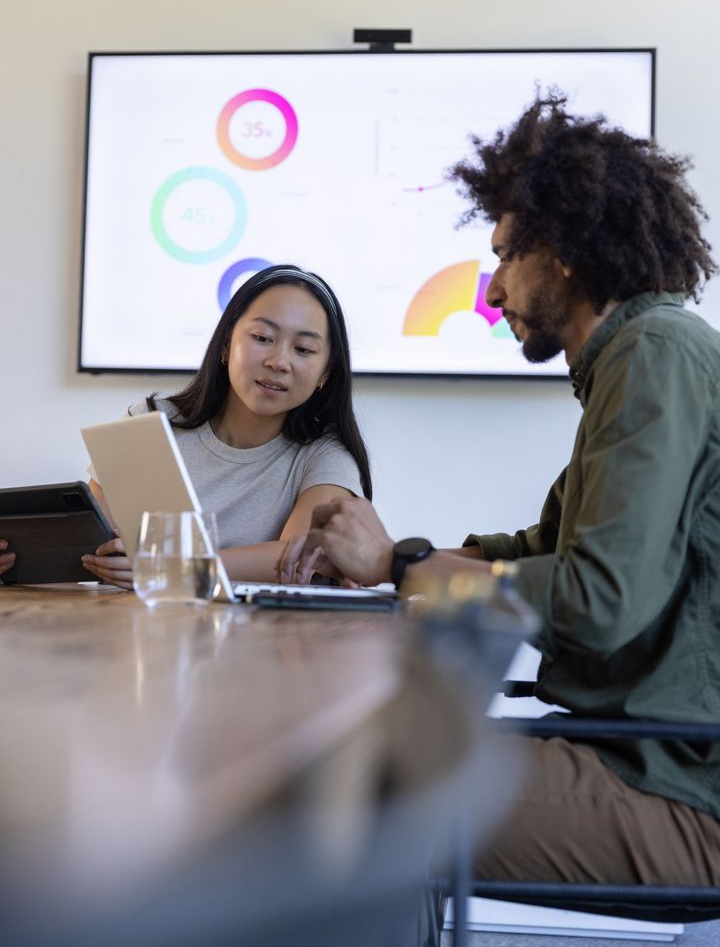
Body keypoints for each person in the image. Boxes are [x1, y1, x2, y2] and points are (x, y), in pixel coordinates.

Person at [278, 93, 720, 886]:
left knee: (341, 789)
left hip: (678, 788)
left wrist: (402, 567)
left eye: (506, 257)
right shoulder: (639, 359)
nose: (491, 292)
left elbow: (597, 601)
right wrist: (396, 557)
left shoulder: (653, 353)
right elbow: (542, 550)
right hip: (645, 755)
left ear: (565, 252)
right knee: (357, 756)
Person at [72, 264, 371, 588]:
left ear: (325, 372)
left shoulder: (326, 455)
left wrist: (174, 568)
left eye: (303, 349)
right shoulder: (151, 421)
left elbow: (297, 558)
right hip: (135, 618)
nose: (278, 362)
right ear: (227, 344)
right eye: (262, 338)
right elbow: (88, 539)